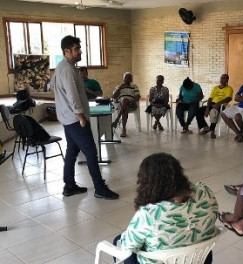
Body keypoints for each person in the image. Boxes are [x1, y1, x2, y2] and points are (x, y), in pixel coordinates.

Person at [51, 35, 119, 200]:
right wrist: (80, 116)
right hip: (75, 119)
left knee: (72, 152)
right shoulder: (67, 70)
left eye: (79, 48)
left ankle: (69, 186)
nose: (80, 51)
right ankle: (99, 188)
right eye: (76, 49)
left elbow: (53, 86)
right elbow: (72, 95)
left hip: (67, 118)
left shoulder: (63, 67)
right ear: (67, 51)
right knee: (91, 151)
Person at [119, 153, 218, 264]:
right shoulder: (204, 191)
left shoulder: (149, 214)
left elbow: (127, 246)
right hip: (200, 259)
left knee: (119, 242)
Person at [195, 74, 233, 138]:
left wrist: (219, 103)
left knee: (213, 112)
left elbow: (228, 98)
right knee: (198, 111)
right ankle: (206, 127)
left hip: (220, 106)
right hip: (212, 104)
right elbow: (210, 98)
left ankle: (212, 131)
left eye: (224, 78)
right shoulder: (215, 88)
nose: (221, 79)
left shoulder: (229, 88)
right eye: (221, 78)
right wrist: (207, 108)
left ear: (227, 80)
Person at [112, 72, 141, 137]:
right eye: (126, 78)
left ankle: (117, 120)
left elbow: (138, 96)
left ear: (131, 80)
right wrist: (120, 88)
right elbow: (113, 96)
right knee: (125, 106)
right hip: (121, 105)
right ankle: (124, 130)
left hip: (131, 103)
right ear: (123, 79)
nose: (128, 79)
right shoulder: (119, 86)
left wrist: (134, 101)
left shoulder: (134, 86)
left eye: (129, 78)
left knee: (125, 100)